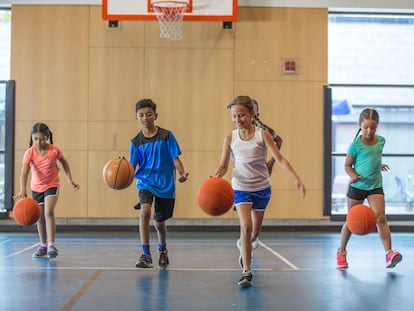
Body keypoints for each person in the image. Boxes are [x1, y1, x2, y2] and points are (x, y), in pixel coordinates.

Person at [214, 95, 305, 287]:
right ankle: (246, 270)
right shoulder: (230, 138)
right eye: (234, 116)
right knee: (245, 226)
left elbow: (279, 158)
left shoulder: (262, 135)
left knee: (254, 232)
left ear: (252, 115)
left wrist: (296, 178)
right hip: (241, 188)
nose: (238, 119)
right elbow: (223, 166)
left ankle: (250, 242)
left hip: (262, 188)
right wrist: (216, 178)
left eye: (241, 115)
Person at [336, 108, 402, 269]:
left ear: (377, 126)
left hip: (375, 186)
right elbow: (347, 165)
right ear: (360, 125)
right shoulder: (355, 145)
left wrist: (379, 164)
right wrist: (353, 176)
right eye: (366, 127)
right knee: (351, 222)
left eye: (372, 127)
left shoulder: (381, 141)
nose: (369, 131)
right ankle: (342, 251)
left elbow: (372, 158)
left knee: (381, 218)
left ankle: (389, 253)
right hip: (357, 186)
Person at [130, 99, 189, 269]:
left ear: (155, 116)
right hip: (145, 182)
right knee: (145, 211)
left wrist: (182, 173)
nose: (145, 117)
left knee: (159, 223)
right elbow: (132, 167)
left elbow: (175, 158)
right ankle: (145, 254)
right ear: (136, 117)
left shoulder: (167, 136)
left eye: (148, 114)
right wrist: (122, 177)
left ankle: (162, 250)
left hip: (165, 184)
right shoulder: (135, 142)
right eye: (141, 115)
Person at [13, 123, 80, 258]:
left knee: (48, 212)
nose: (38, 142)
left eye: (42, 138)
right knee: (39, 216)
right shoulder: (29, 152)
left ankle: (51, 245)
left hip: (52, 184)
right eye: (35, 138)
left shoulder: (54, 150)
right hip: (36, 187)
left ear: (47, 137)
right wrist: (23, 190)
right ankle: (43, 245)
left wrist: (69, 180)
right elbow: (24, 173)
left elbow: (65, 163)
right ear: (32, 138)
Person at [235, 99, 284, 255]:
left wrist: (271, 162)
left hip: (261, 178)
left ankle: (254, 236)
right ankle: (245, 244)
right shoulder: (238, 130)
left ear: (255, 114)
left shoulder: (264, 131)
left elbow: (279, 140)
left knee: (255, 226)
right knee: (246, 223)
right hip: (243, 180)